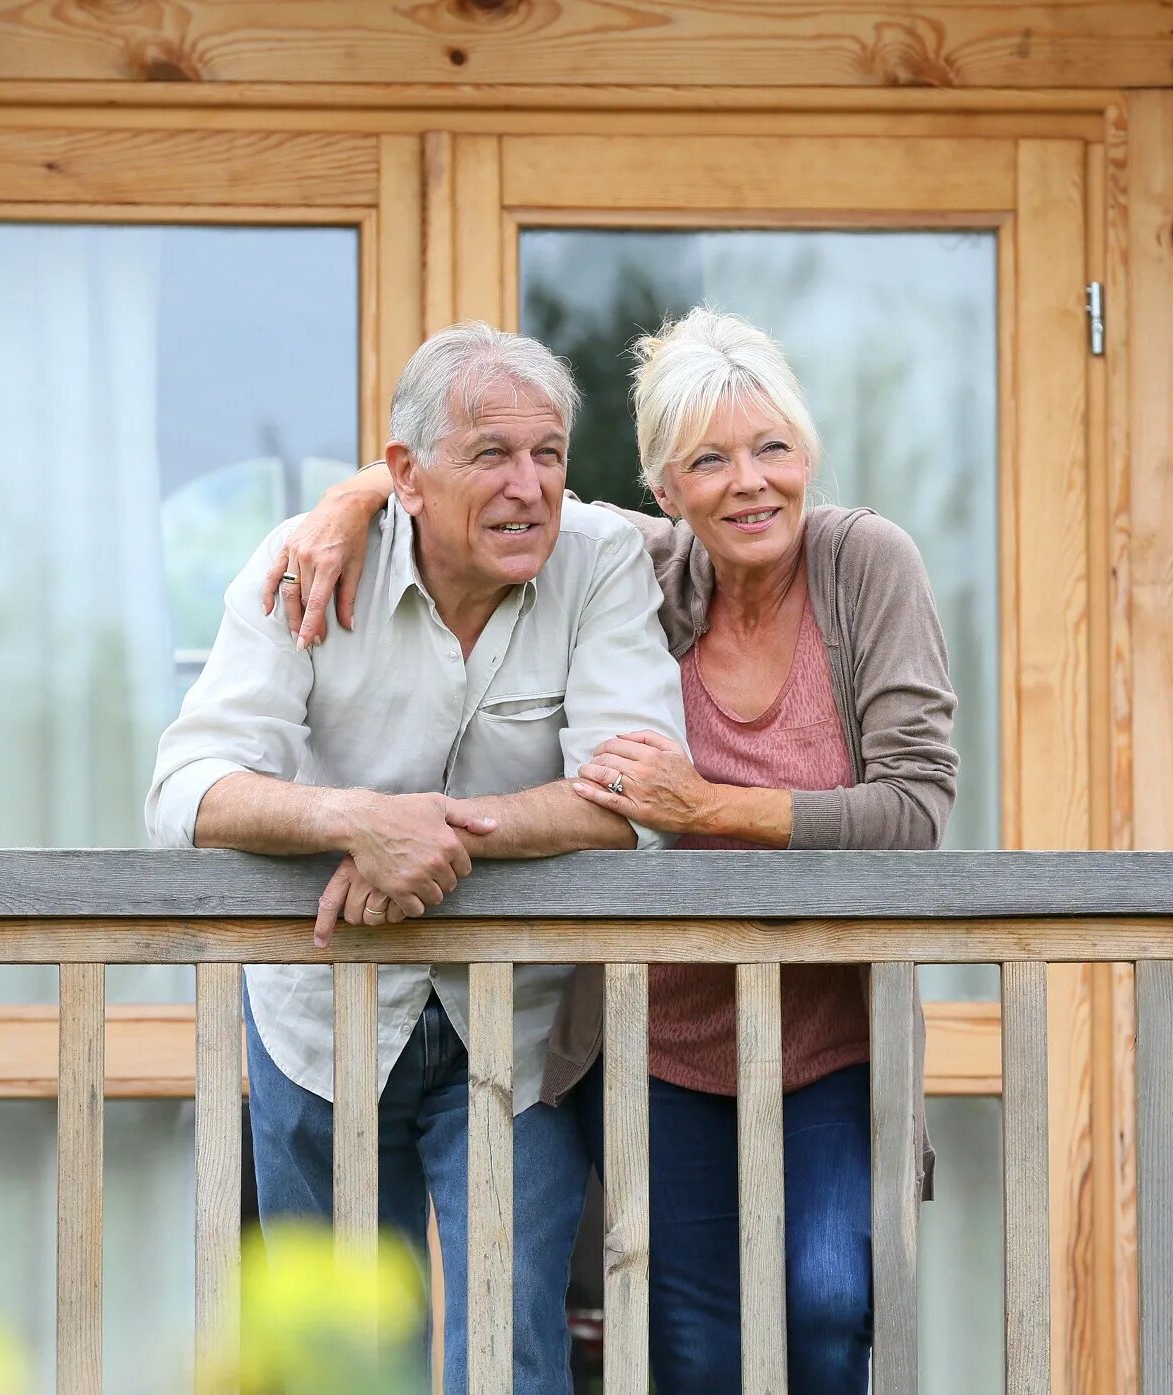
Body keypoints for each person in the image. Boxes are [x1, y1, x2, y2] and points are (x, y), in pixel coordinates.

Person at [271, 306, 958, 1392]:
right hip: (661, 1040)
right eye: (710, 460)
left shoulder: (864, 563)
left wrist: (708, 805)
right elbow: (477, 487)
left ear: (807, 454)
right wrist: (351, 500)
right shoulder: (627, 563)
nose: (751, 483)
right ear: (662, 489)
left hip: (828, 1035)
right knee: (689, 1351)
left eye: (773, 447)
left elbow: (915, 807)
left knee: (832, 1315)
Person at [146, 321, 687, 1395]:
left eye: (549, 455)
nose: (528, 487)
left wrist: (428, 834)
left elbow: (639, 799)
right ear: (404, 475)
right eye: (490, 455)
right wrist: (354, 819)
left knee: (510, 1355)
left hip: (519, 1024)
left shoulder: (602, 557)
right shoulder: (297, 564)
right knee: (345, 1365)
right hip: (316, 1018)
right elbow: (186, 790)